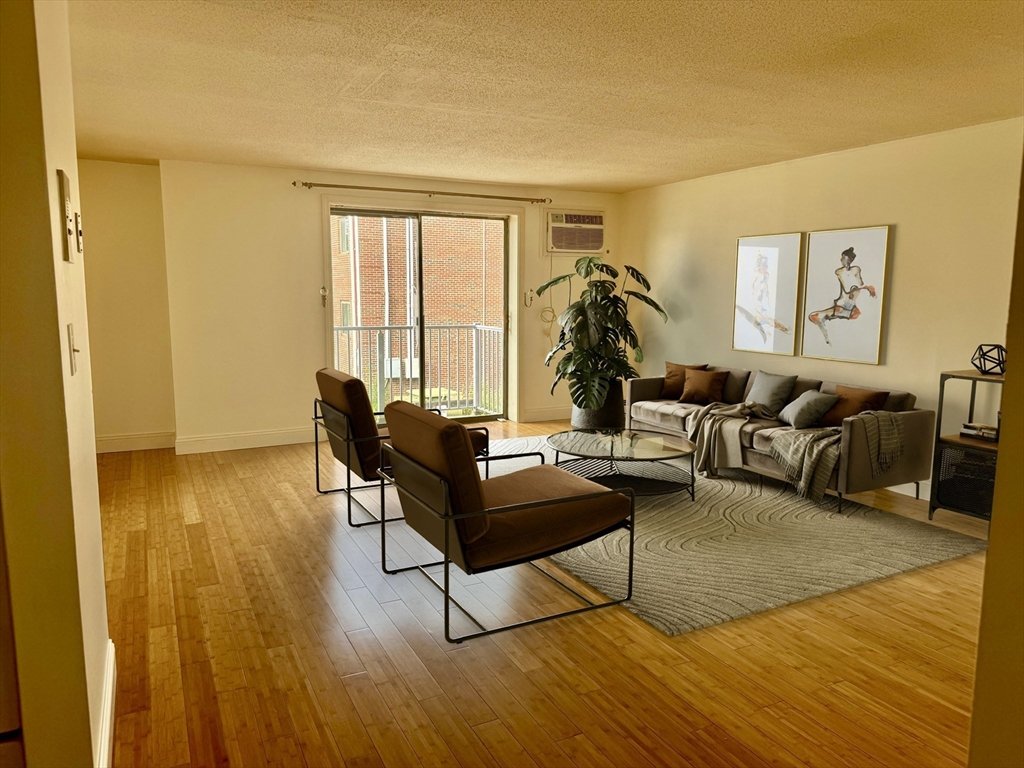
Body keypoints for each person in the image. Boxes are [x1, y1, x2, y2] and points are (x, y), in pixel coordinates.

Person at [807, 247, 877, 345]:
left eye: (843, 257)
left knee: (815, 316)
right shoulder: (839, 272)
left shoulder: (856, 269)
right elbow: (845, 288)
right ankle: (827, 338)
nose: (841, 259)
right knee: (814, 316)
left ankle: (826, 335)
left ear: (848, 259)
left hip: (849, 304)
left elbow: (859, 283)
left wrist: (864, 288)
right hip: (843, 303)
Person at [736, 251, 790, 344]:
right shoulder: (758, 280)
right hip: (760, 307)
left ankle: (784, 329)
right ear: (759, 267)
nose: (766, 267)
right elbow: (758, 295)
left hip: (763, 307)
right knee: (771, 321)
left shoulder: (765, 278)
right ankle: (784, 330)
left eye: (766, 265)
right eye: (764, 265)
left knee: (771, 321)